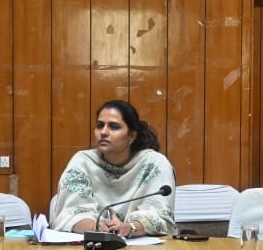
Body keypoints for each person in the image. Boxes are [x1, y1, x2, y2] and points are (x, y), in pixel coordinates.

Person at [50, 99, 176, 238]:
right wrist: (96, 227)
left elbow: (160, 216)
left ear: (131, 136)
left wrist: (130, 227)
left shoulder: (154, 164)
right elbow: (70, 213)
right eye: (100, 126)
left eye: (114, 127)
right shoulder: (83, 162)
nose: (103, 132)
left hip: (141, 246)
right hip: (91, 245)